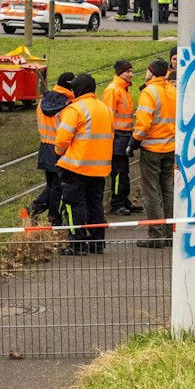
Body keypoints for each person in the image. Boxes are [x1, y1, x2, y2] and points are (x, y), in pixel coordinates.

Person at [52, 72, 115, 254]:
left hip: (76, 167)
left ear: (79, 89)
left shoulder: (75, 109)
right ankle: (97, 242)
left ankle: (77, 244)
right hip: (100, 168)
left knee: (73, 205)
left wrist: (58, 154)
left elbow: (62, 139)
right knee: (95, 204)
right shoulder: (105, 109)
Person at [133, 57, 177, 247]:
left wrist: (133, 143)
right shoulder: (173, 91)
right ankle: (170, 233)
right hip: (170, 147)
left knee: (151, 192)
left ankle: (156, 236)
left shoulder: (149, 92)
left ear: (151, 72)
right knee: (168, 190)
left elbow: (143, 124)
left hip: (152, 149)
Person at [29, 71, 77, 224]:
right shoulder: (68, 105)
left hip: (44, 147)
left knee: (52, 184)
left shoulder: (43, 101)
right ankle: (51, 216)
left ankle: (36, 209)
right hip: (59, 149)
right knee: (58, 186)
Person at [102, 60, 137, 214]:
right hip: (117, 136)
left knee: (123, 171)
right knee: (118, 172)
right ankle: (117, 202)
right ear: (120, 72)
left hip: (124, 134)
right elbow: (108, 116)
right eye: (128, 71)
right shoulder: (113, 90)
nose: (131, 74)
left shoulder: (124, 89)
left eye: (131, 71)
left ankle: (123, 199)